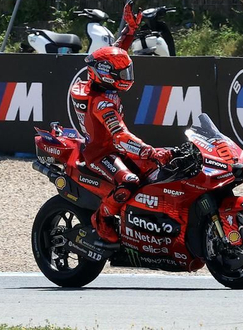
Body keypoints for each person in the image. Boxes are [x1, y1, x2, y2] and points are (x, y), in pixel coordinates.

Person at [68, 46, 173, 254]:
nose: (127, 77)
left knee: (161, 166)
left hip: (116, 150)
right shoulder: (101, 103)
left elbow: (112, 53)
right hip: (100, 154)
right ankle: (101, 219)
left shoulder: (102, 87)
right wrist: (149, 151)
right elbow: (120, 136)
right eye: (122, 73)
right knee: (128, 182)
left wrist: (129, 32)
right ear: (105, 74)